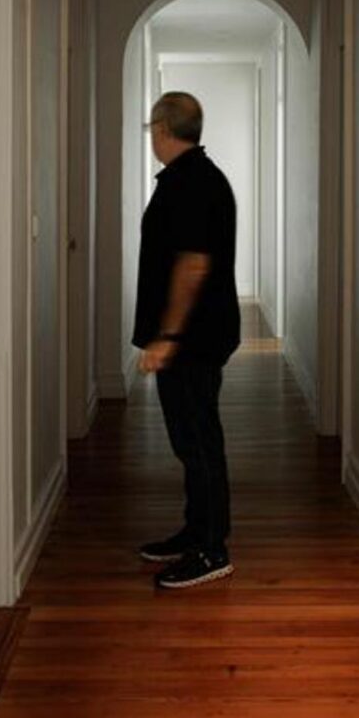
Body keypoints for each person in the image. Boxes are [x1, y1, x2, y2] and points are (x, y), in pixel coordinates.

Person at [133, 90, 241, 589]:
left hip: (192, 339)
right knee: (190, 440)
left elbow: (193, 263)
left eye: (150, 129)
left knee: (198, 442)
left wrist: (168, 336)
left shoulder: (193, 184)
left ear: (161, 129)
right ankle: (195, 532)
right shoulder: (192, 178)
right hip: (193, 337)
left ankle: (211, 549)